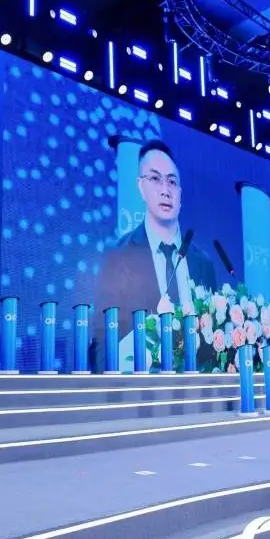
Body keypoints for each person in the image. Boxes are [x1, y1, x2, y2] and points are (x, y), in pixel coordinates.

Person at [95, 140, 217, 368]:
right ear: (141, 186)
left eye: (172, 182)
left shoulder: (203, 263)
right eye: (155, 179)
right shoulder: (118, 256)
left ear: (180, 194)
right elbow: (103, 344)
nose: (165, 190)